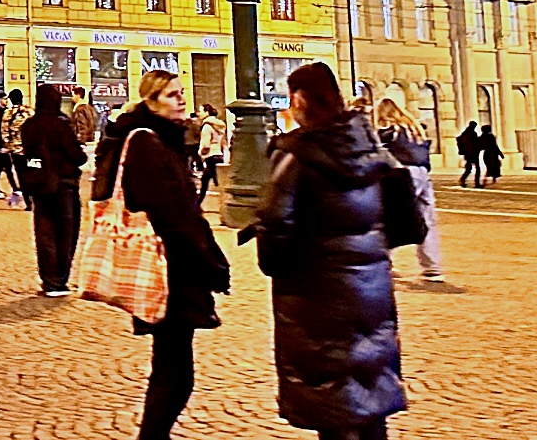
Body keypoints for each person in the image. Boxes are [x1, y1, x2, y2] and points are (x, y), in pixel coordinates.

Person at [243, 62, 406, 440]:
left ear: (300, 100)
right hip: (370, 293)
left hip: (316, 299)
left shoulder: (295, 155)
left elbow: (274, 231)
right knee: (368, 399)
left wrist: (285, 265)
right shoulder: (370, 147)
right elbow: (408, 222)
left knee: (332, 405)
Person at [95, 69, 230, 440]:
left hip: (174, 266)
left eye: (182, 92)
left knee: (170, 367)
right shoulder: (147, 143)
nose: (182, 100)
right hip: (168, 269)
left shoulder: (160, 139)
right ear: (151, 101)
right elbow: (172, 214)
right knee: (175, 374)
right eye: (172, 95)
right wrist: (209, 263)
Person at [20, 83, 87, 295]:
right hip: (64, 184)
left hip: (39, 185)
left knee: (44, 233)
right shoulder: (61, 125)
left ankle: (48, 279)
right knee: (65, 233)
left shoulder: (29, 126)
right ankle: (59, 279)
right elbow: (76, 156)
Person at [373, 98, 442, 282]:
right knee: (426, 220)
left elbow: (379, 154)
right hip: (423, 172)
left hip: (403, 173)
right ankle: (432, 267)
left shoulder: (389, 132)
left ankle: (385, 260)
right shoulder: (415, 129)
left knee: (392, 218)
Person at [455, 122, 482, 188]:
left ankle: (463, 179)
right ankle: (476, 183)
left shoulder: (465, 133)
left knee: (469, 168)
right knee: (477, 169)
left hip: (468, 154)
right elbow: (474, 144)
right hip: (472, 153)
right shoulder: (472, 134)